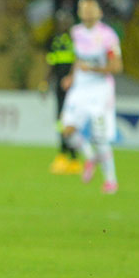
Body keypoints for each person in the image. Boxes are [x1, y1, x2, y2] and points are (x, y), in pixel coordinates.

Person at [60, 0, 122, 194]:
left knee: (100, 137)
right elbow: (78, 59)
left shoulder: (108, 36)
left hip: (100, 89)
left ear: (99, 13)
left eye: (90, 10)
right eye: (84, 10)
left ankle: (111, 180)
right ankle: (90, 157)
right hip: (79, 88)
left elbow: (117, 67)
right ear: (80, 13)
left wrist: (93, 69)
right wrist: (71, 76)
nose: (87, 13)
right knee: (67, 131)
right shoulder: (76, 32)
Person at [46, 10, 80, 174]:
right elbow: (51, 63)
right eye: (60, 21)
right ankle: (63, 154)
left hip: (73, 87)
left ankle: (73, 157)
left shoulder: (76, 41)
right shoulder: (56, 41)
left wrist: (73, 78)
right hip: (59, 86)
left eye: (65, 21)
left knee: (71, 120)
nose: (62, 24)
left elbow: (78, 63)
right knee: (60, 120)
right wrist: (45, 81)